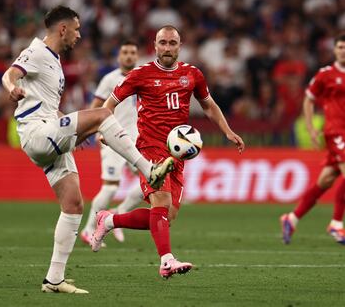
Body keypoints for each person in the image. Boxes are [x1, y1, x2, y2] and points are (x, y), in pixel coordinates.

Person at [1, 6, 174, 294]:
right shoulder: (38, 51)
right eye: (77, 29)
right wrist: (11, 88)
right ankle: (148, 169)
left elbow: (47, 106)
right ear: (63, 29)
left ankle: (54, 279)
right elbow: (11, 74)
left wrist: (73, 131)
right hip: (37, 134)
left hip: (49, 133)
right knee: (104, 115)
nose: (80, 35)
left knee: (73, 204)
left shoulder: (54, 62)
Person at [90, 25, 245, 279]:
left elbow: (208, 105)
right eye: (163, 43)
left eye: (173, 43)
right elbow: (110, 105)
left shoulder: (192, 74)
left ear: (180, 46)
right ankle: (166, 261)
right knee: (160, 202)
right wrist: (103, 130)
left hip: (178, 153)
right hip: (149, 148)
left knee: (166, 215)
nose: (168, 48)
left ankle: (109, 221)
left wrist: (227, 131)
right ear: (155, 45)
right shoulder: (140, 74)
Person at [280, 33, 345, 245]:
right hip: (336, 131)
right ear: (335, 50)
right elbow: (309, 100)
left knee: (325, 181)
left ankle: (292, 218)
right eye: (340, 47)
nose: (343, 51)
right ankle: (336, 224)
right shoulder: (325, 74)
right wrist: (310, 127)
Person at [80, 40, 143, 245]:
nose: (129, 56)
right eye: (125, 52)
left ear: (137, 55)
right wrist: (92, 130)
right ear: (119, 56)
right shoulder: (109, 79)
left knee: (151, 180)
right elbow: (96, 106)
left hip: (137, 138)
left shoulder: (142, 76)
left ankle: (119, 212)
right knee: (110, 187)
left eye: (132, 52)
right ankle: (89, 230)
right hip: (112, 138)